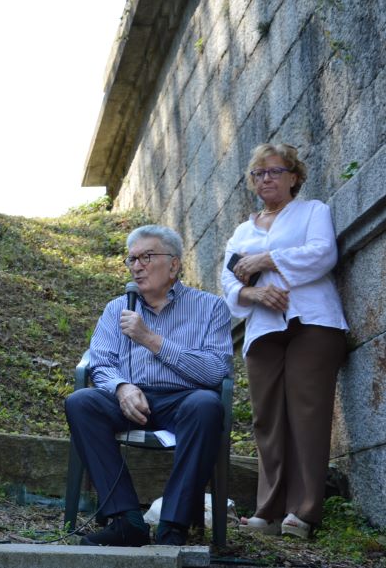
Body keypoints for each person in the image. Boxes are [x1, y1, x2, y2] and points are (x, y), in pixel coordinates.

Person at [65, 224, 233, 547]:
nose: (137, 266)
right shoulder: (118, 308)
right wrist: (121, 387)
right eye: (132, 259)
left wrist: (150, 340)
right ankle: (127, 520)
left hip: (184, 400)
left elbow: (215, 370)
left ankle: (172, 525)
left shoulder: (210, 308)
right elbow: (99, 360)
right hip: (131, 397)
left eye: (146, 257)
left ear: (174, 265)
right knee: (81, 402)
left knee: (207, 406)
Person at [221, 143, 348, 539]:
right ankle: (268, 511)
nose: (266, 180)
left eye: (275, 172)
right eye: (259, 174)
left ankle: (304, 512)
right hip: (262, 329)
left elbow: (322, 254)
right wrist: (252, 294)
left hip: (313, 320)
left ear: (294, 176)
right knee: (267, 419)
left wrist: (266, 261)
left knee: (308, 413)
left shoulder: (313, 212)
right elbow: (227, 280)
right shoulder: (241, 232)